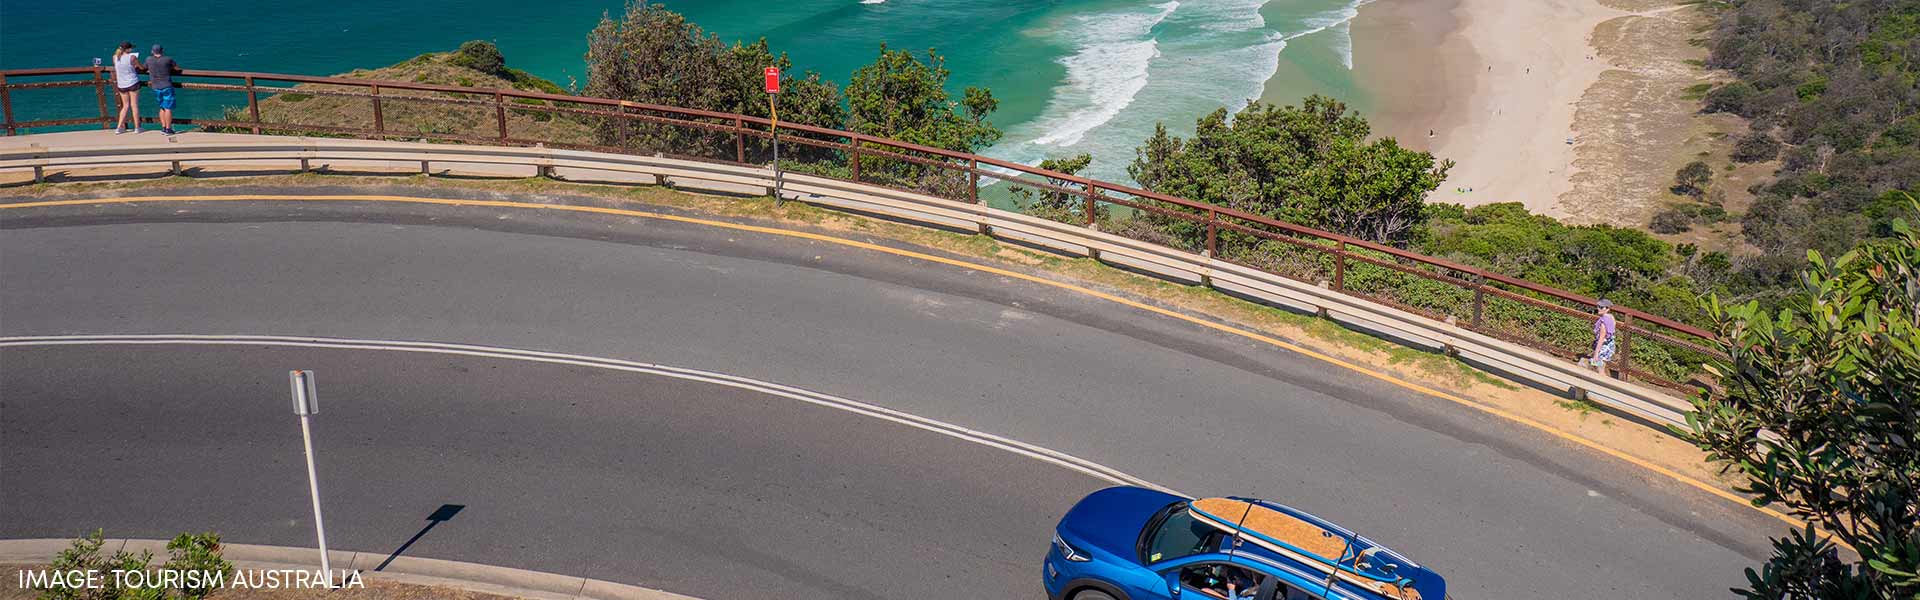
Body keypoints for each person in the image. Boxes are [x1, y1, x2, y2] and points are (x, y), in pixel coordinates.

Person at [140, 44, 181, 136]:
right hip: (167, 86)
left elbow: (143, 68)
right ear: (162, 51)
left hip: (156, 87)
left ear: (152, 51)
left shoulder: (148, 59)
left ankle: (163, 127)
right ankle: (168, 129)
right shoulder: (168, 59)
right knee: (168, 108)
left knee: (162, 107)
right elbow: (178, 69)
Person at [110, 42, 142, 134]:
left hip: (121, 84)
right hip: (132, 83)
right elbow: (140, 67)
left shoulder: (115, 57)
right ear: (128, 49)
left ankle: (119, 127)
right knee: (134, 105)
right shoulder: (132, 57)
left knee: (125, 106)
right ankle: (137, 128)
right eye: (131, 48)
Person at [1586, 299, 1617, 372]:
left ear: (1607, 309)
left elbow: (1601, 338)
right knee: (1600, 369)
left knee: (1600, 370)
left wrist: (1596, 353)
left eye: (1601, 307)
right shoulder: (1611, 317)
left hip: (1602, 349)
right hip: (1609, 348)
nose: (1598, 308)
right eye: (1598, 306)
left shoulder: (1604, 322)